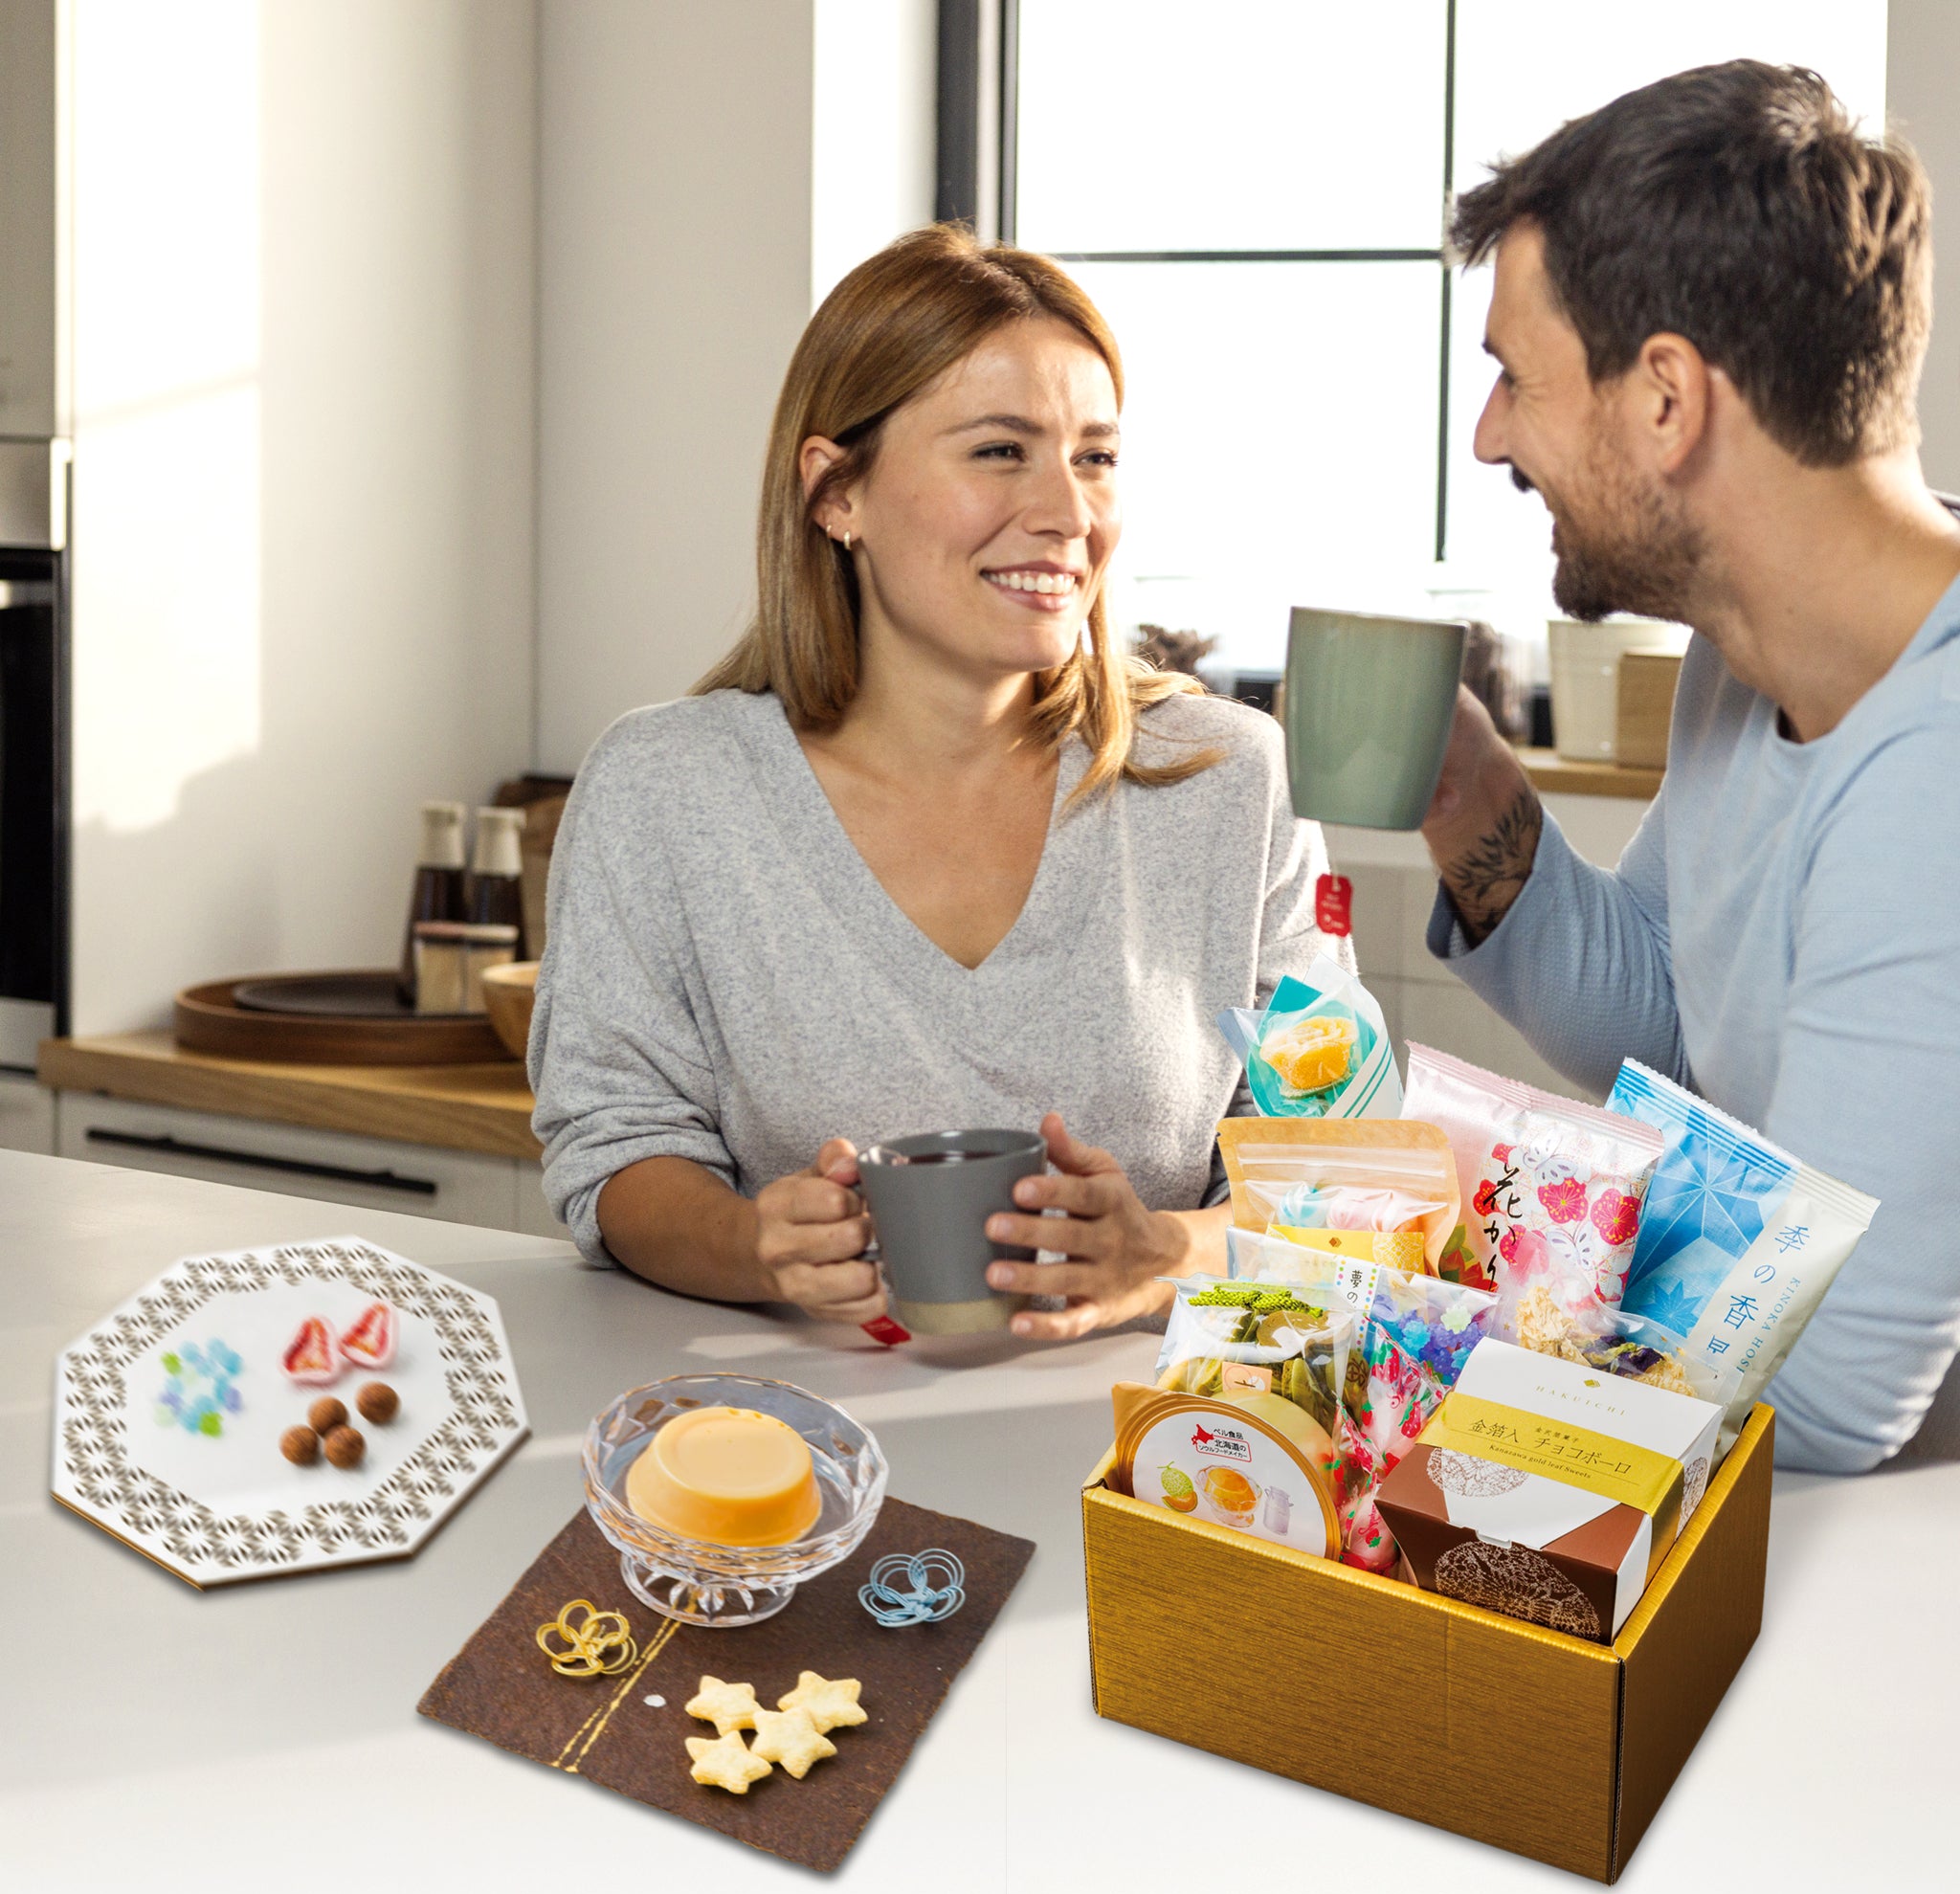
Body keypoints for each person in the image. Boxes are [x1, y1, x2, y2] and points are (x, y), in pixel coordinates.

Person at [530, 225, 1343, 1339]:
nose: (1068, 513)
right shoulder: (667, 791)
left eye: (1094, 456)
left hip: (1164, 1468)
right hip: (795, 1452)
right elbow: (617, 1147)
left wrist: (1165, 1253)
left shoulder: (1227, 782)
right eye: (1000, 451)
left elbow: (1335, 1169)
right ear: (835, 494)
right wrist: (750, 1243)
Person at [1421, 61, 1960, 1471]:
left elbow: (1830, 1400)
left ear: (1667, 399)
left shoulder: (1938, 777)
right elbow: (1673, 1019)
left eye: (1514, 379)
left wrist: (1434, 1341)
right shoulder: (1752, 650)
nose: (1490, 437)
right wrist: (1471, 803)